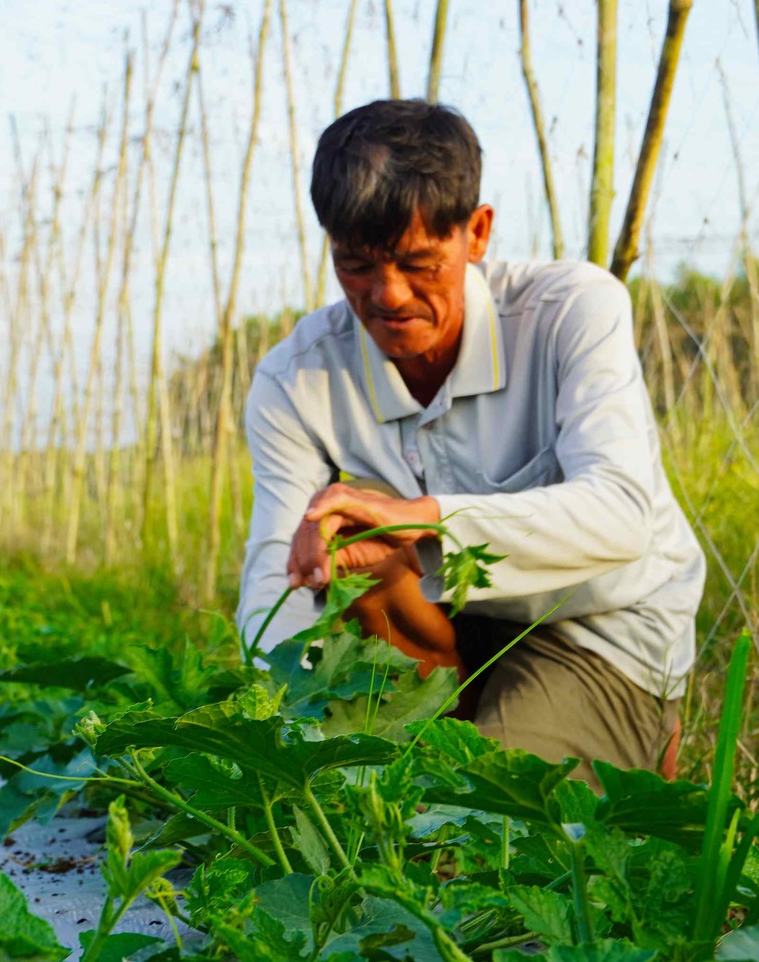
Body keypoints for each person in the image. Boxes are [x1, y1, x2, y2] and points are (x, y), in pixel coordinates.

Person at [238, 100, 705, 784]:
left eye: (418, 262)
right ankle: (444, 741)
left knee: (484, 827)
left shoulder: (570, 313)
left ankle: (624, 731)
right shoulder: (295, 376)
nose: (387, 295)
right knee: (338, 527)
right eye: (356, 266)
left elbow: (621, 517)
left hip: (595, 629)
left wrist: (421, 518)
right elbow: (272, 583)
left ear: (476, 232)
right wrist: (275, 730)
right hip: (440, 633)